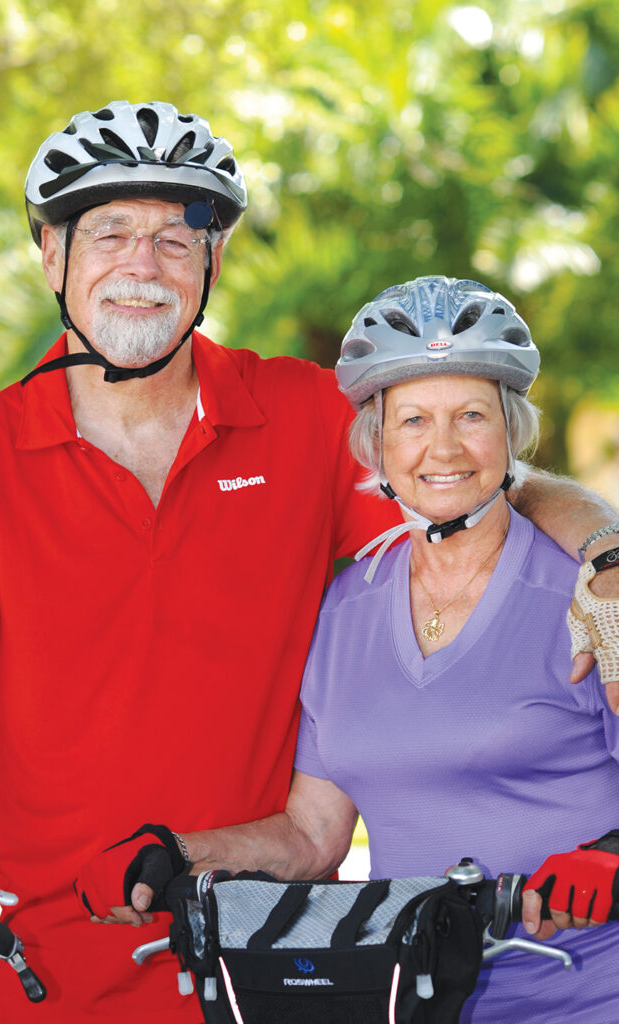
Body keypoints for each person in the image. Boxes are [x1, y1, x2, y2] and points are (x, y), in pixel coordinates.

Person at [0, 101, 619, 1024]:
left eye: (175, 240)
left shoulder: (300, 417)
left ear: (212, 264)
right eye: (108, 233)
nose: (141, 267)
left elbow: (463, 477)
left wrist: (602, 545)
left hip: (262, 963)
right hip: (55, 971)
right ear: (50, 256)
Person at [87, 277, 619, 1023]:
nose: (443, 448)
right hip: (407, 999)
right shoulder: (347, 607)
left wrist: (608, 855)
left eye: (471, 415)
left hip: (582, 998)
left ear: (510, 432)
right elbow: (312, 832)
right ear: (375, 441)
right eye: (411, 421)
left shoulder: (590, 596)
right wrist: (180, 853)